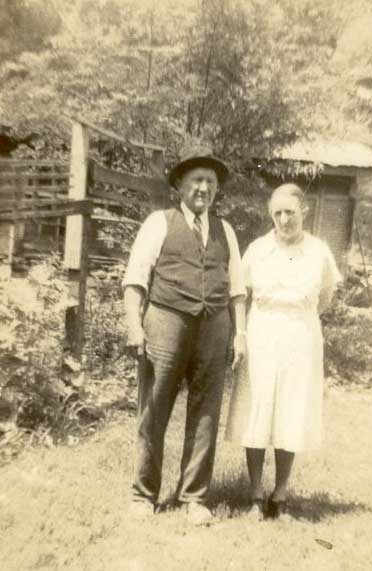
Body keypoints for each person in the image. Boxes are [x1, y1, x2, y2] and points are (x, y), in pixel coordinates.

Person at [123, 143, 246, 525]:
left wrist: (239, 333)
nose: (203, 188)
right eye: (196, 180)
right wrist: (133, 325)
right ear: (179, 184)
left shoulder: (225, 230)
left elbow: (237, 287)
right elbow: (135, 280)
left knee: (207, 409)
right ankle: (144, 494)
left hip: (214, 326)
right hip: (166, 320)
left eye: (210, 182)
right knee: (155, 407)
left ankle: (194, 497)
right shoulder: (158, 222)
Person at [225, 182, 342, 520]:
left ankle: (281, 493)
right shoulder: (258, 249)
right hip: (263, 335)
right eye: (277, 213)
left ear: (304, 211)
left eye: (290, 211)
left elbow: (326, 297)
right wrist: (243, 334)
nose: (284, 219)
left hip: (301, 337)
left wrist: (299, 320)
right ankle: (256, 494)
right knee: (258, 410)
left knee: (291, 410)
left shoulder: (319, 251)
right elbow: (240, 294)